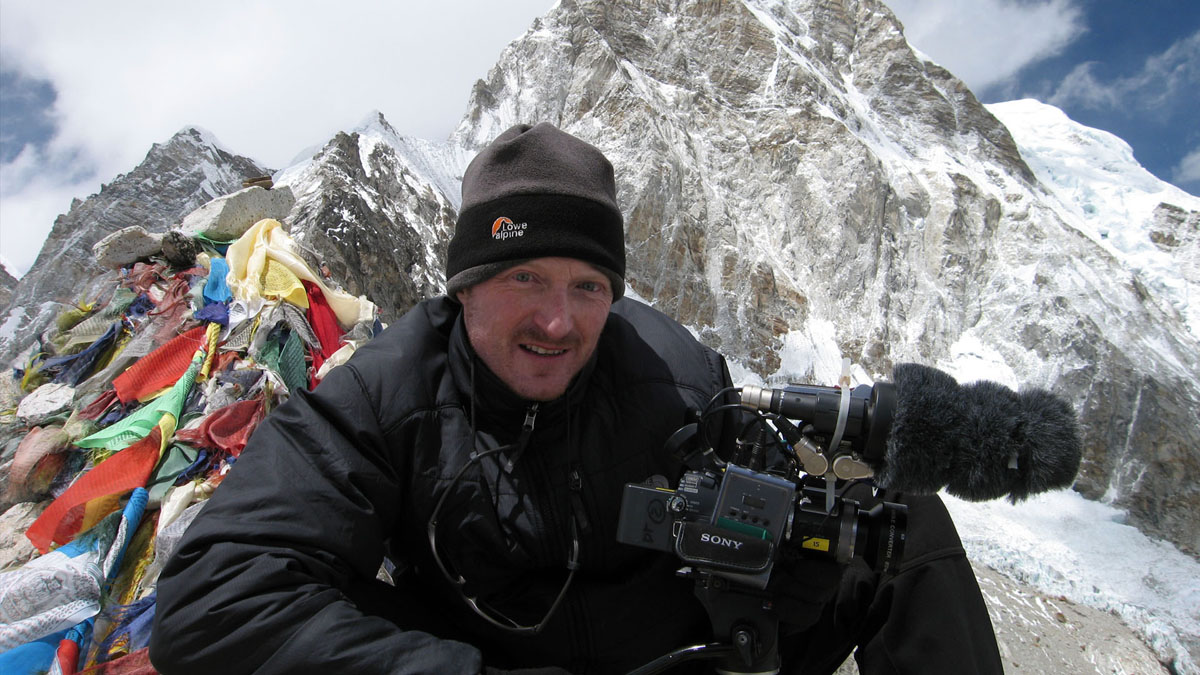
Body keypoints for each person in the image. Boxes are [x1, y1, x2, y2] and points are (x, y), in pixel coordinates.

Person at [150, 123, 1002, 674]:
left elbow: (762, 524)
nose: (558, 321)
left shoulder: (679, 378)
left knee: (897, 521)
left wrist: (783, 583)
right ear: (466, 287)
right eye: (527, 277)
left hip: (683, 651)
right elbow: (213, 598)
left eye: (589, 286)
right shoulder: (387, 394)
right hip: (493, 657)